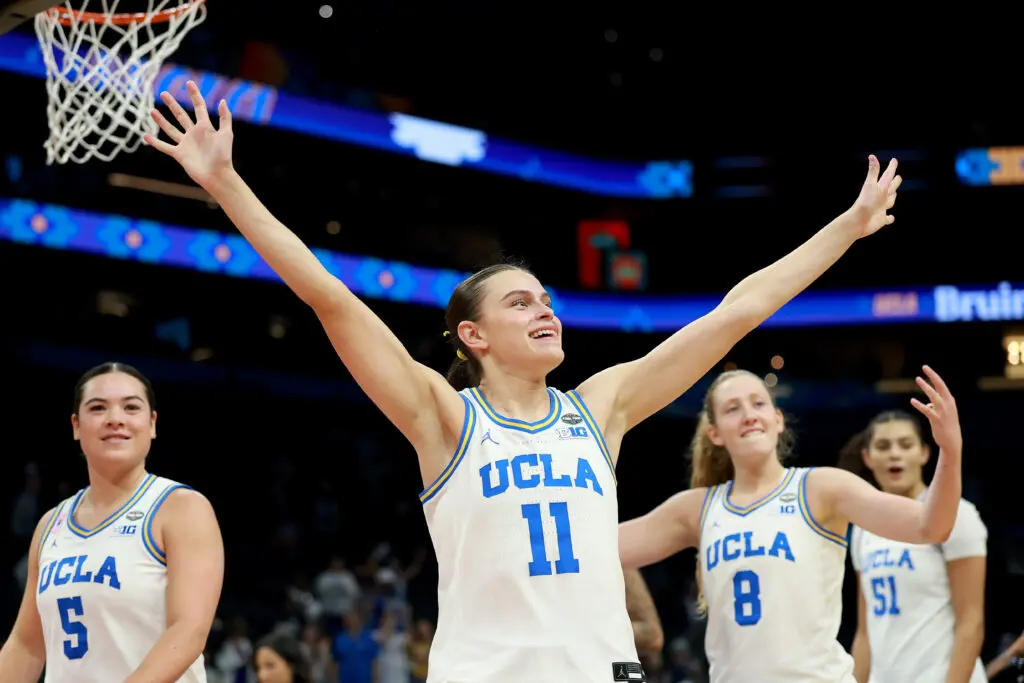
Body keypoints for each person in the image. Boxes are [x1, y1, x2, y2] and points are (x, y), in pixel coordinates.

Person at [147, 80, 901, 682]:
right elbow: (330, 297)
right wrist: (227, 184)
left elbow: (739, 311)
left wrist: (848, 225)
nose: (545, 310)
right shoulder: (443, 415)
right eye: (520, 302)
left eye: (546, 300)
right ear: (473, 335)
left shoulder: (599, 405)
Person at [619, 367, 963, 683]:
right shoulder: (695, 509)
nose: (749, 415)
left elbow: (930, 527)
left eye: (758, 403)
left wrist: (950, 450)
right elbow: (596, 549)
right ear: (715, 433)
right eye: (733, 408)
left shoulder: (820, 488)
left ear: (778, 419)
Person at [0, 362, 224, 683]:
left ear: (152, 424)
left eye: (131, 407)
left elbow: (188, 630)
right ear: (76, 426)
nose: (115, 418)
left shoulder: (181, 507)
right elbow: (26, 646)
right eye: (98, 408)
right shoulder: (51, 524)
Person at [840, 411, 986, 683]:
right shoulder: (863, 527)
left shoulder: (958, 515)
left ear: (924, 454)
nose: (894, 454)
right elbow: (864, 632)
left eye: (906, 445)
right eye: (883, 447)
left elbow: (971, 622)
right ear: (867, 457)